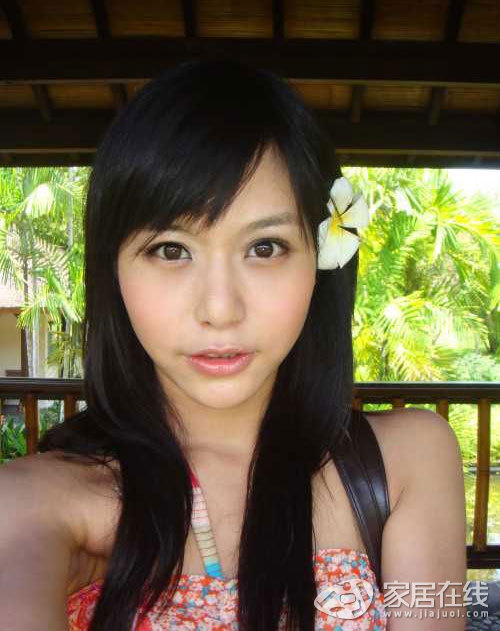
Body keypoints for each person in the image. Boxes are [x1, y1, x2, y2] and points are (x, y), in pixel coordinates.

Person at [0, 58, 467, 631]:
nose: (220, 310)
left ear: (321, 261)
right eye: (171, 250)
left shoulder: (406, 464)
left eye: (265, 248)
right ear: (113, 270)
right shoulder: (35, 501)